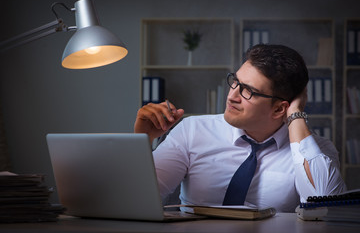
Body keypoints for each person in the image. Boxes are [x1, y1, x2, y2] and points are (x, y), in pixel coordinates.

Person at [134, 44, 346, 212]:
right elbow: (138, 201)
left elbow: (327, 211)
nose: (232, 95)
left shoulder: (314, 151)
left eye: (248, 91)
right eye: (235, 81)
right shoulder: (192, 130)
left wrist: (296, 115)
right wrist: (141, 142)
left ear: (279, 109)